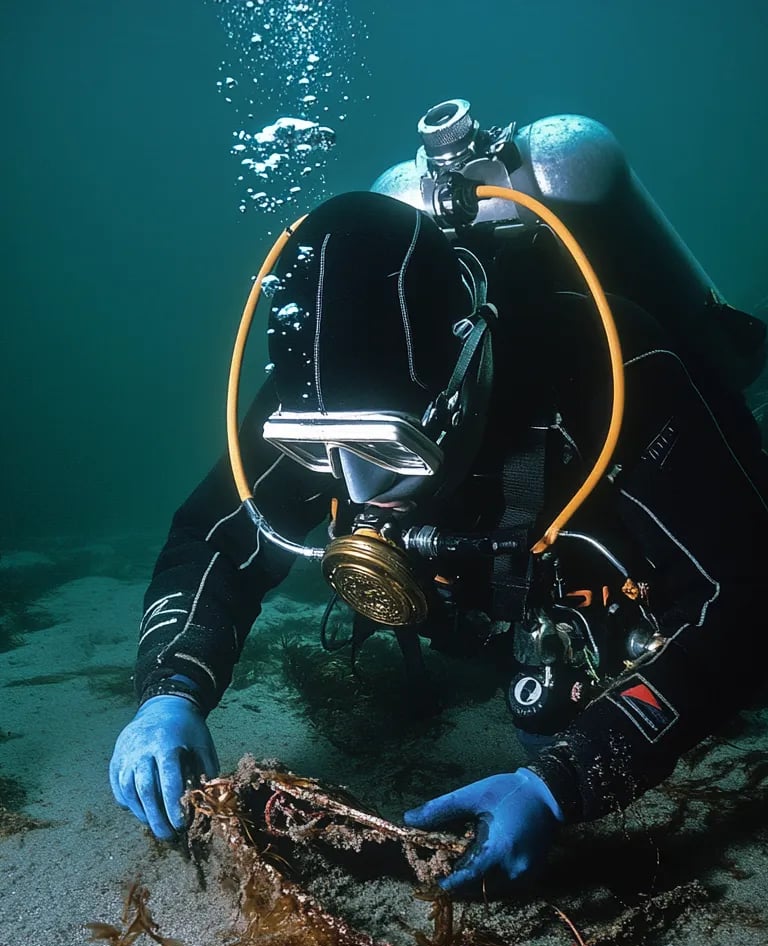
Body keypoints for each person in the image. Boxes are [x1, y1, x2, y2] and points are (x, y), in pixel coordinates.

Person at [110, 100, 768, 893]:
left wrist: (566, 782)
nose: (356, 487)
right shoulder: (320, 397)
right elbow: (212, 535)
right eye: (318, 452)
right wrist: (168, 693)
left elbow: (747, 596)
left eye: (389, 446)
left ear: (463, 383)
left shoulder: (626, 373)